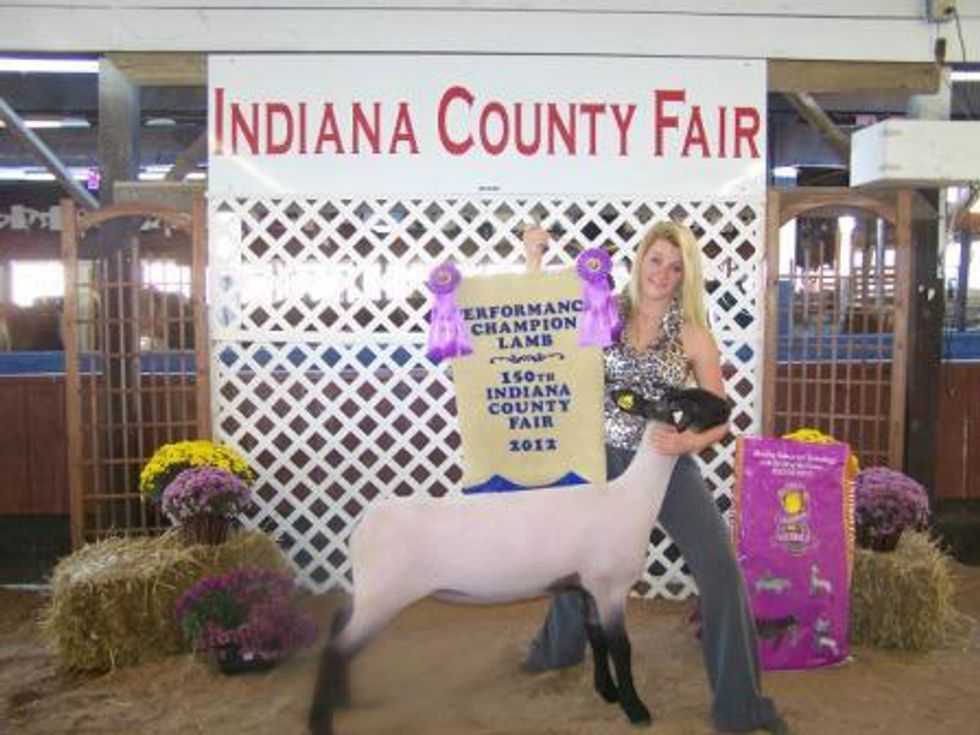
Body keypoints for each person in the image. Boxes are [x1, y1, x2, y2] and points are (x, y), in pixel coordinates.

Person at [521, 221, 791, 735]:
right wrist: (534, 260)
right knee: (576, 560)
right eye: (656, 260)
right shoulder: (603, 311)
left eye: (676, 267)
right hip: (598, 458)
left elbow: (720, 417)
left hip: (665, 464)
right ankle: (556, 650)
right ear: (640, 260)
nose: (663, 274)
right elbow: (540, 320)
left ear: (686, 276)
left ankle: (742, 705)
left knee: (720, 570)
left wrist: (689, 443)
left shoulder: (693, 334)